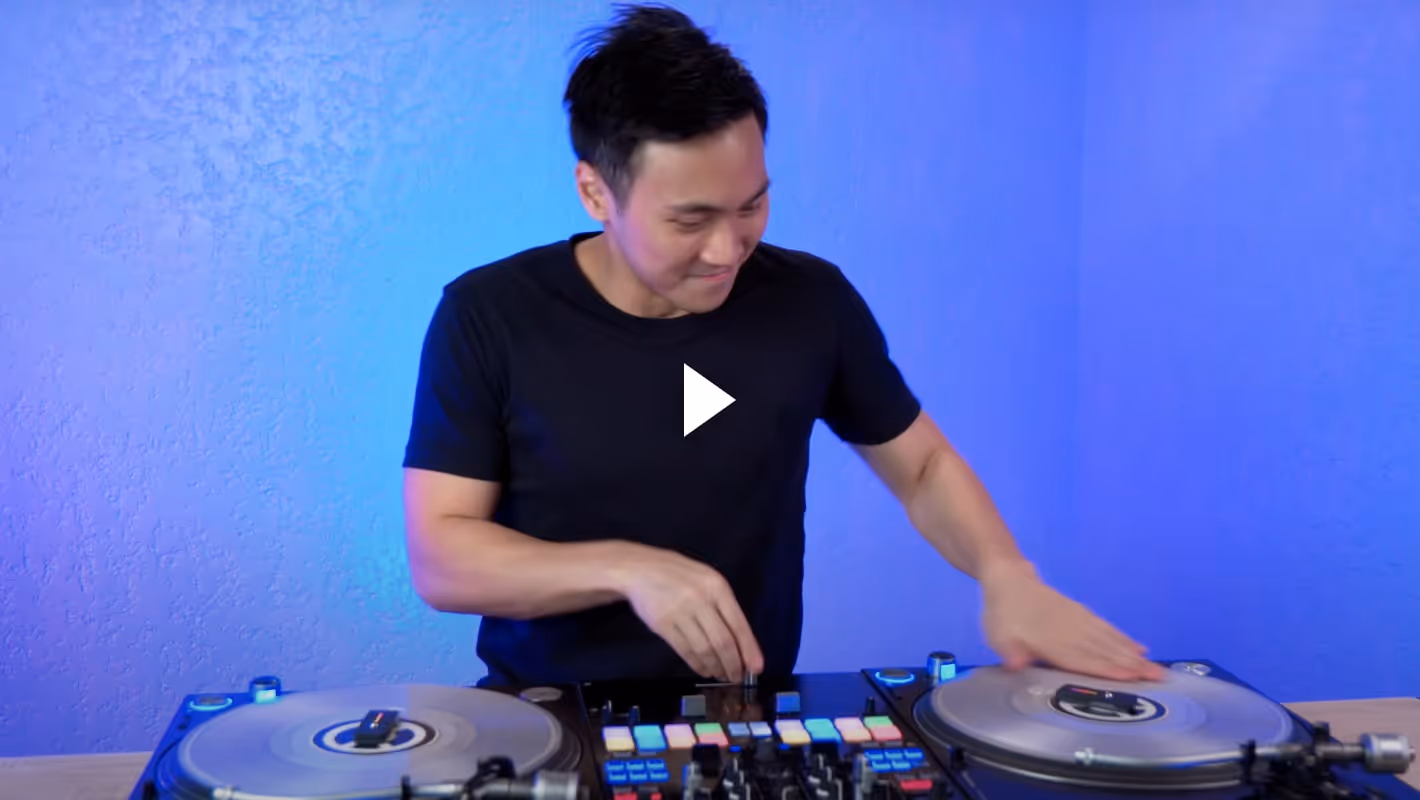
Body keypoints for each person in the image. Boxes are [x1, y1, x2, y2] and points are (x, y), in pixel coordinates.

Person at [401, 3, 1162, 688]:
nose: (728, 249)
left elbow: (923, 466)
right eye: (691, 219)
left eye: (753, 204)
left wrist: (1006, 573)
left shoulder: (811, 301)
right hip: (548, 724)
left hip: (748, 721)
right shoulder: (488, 315)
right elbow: (441, 559)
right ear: (596, 192)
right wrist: (630, 570)